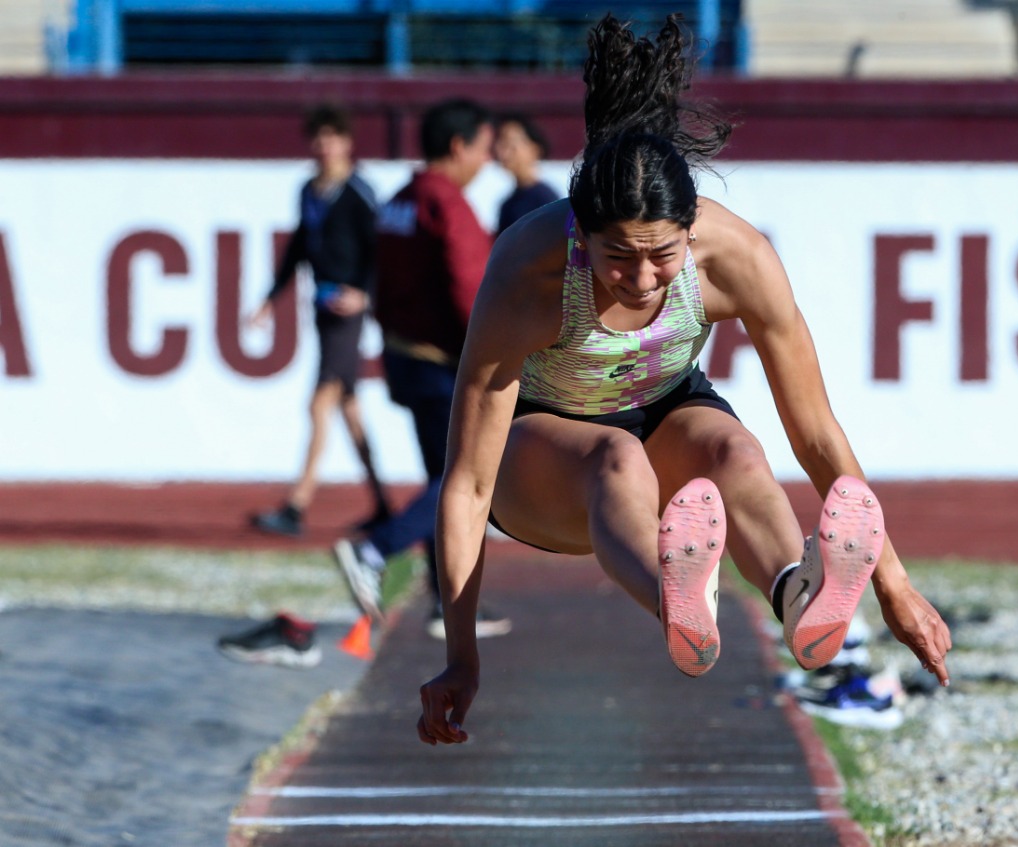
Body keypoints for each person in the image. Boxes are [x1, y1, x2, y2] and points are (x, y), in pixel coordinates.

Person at [414, 14, 952, 748]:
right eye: (617, 257)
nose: (640, 279)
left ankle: (801, 597)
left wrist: (895, 585)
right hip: (541, 464)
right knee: (617, 459)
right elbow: (469, 482)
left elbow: (816, 432)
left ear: (691, 228)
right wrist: (461, 655)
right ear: (581, 231)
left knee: (735, 449)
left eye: (661, 255)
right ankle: (680, 605)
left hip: (664, 417)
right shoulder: (530, 271)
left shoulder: (736, 257)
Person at [332, 98, 510, 639]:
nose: (487, 161)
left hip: (403, 356)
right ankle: (372, 548)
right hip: (443, 362)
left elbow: (379, 282)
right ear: (458, 146)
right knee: (465, 480)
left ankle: (447, 604)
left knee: (443, 477)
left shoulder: (400, 201)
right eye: (484, 149)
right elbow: (468, 287)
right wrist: (491, 349)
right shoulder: (445, 203)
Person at [249, 103, 391, 539]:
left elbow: (382, 249)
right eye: (319, 137)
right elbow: (298, 248)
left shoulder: (360, 192)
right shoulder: (310, 191)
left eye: (332, 137)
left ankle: (297, 504)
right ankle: (384, 505)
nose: (324, 146)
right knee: (349, 413)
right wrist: (272, 298)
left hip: (348, 316)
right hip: (321, 310)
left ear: (347, 141)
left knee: (319, 404)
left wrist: (364, 295)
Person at [493, 112, 560, 235]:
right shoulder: (508, 203)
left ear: (534, 149)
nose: (502, 152)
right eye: (500, 143)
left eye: (510, 144)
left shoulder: (544, 199)